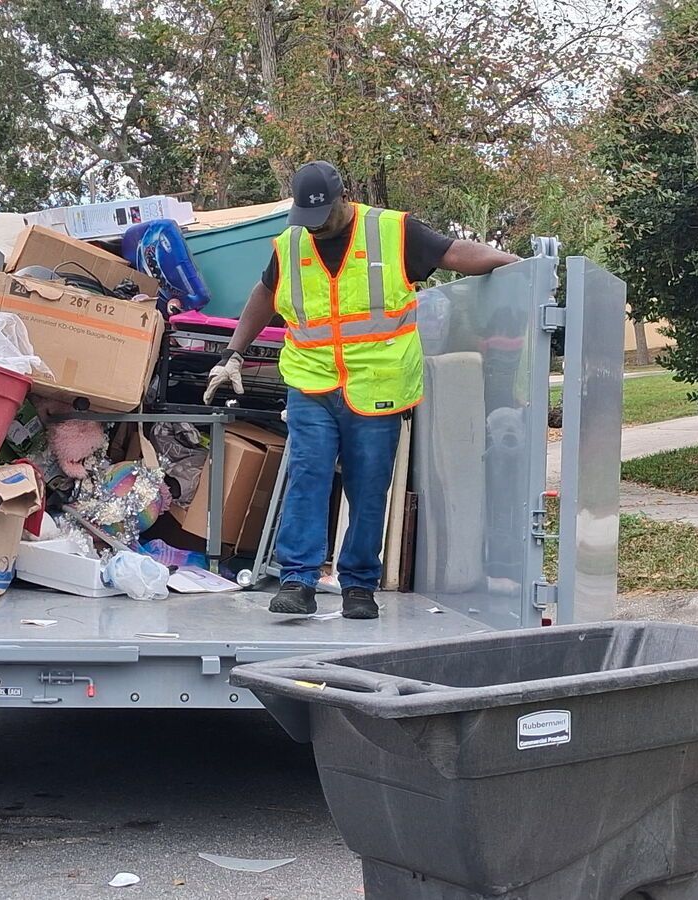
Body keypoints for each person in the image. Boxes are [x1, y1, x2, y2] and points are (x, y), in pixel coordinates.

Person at [204, 161, 518, 619]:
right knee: (307, 475)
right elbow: (265, 294)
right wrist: (232, 353)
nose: (314, 228)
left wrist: (514, 267)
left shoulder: (393, 231)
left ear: (342, 199)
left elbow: (454, 253)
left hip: (377, 386)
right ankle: (298, 580)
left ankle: (358, 585)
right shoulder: (292, 242)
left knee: (369, 488)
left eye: (322, 217)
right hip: (311, 382)